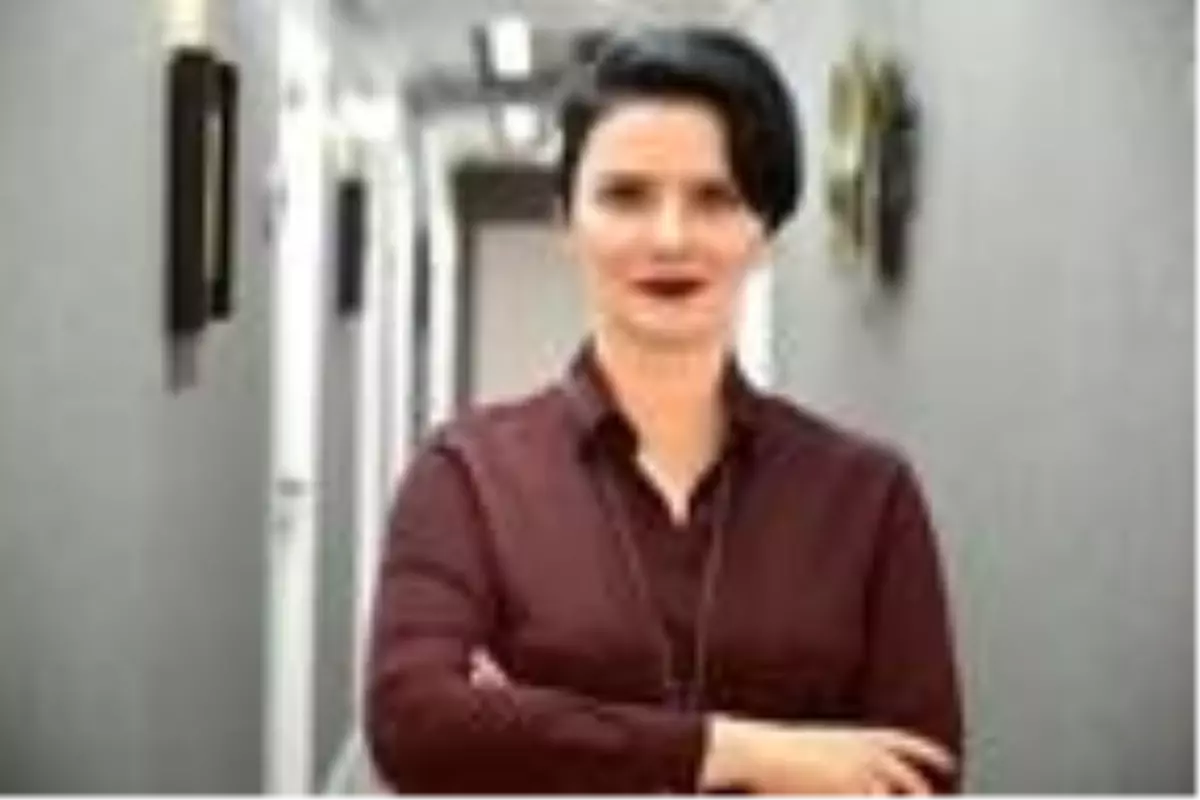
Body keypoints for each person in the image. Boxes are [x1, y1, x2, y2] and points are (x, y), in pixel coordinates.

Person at [365, 26, 963, 799]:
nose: (670, 237)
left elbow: (915, 780)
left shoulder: (867, 496)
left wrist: (527, 734)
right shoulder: (466, 478)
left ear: (766, 234)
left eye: (715, 198)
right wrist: (748, 753)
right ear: (566, 220)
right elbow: (416, 727)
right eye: (626, 196)